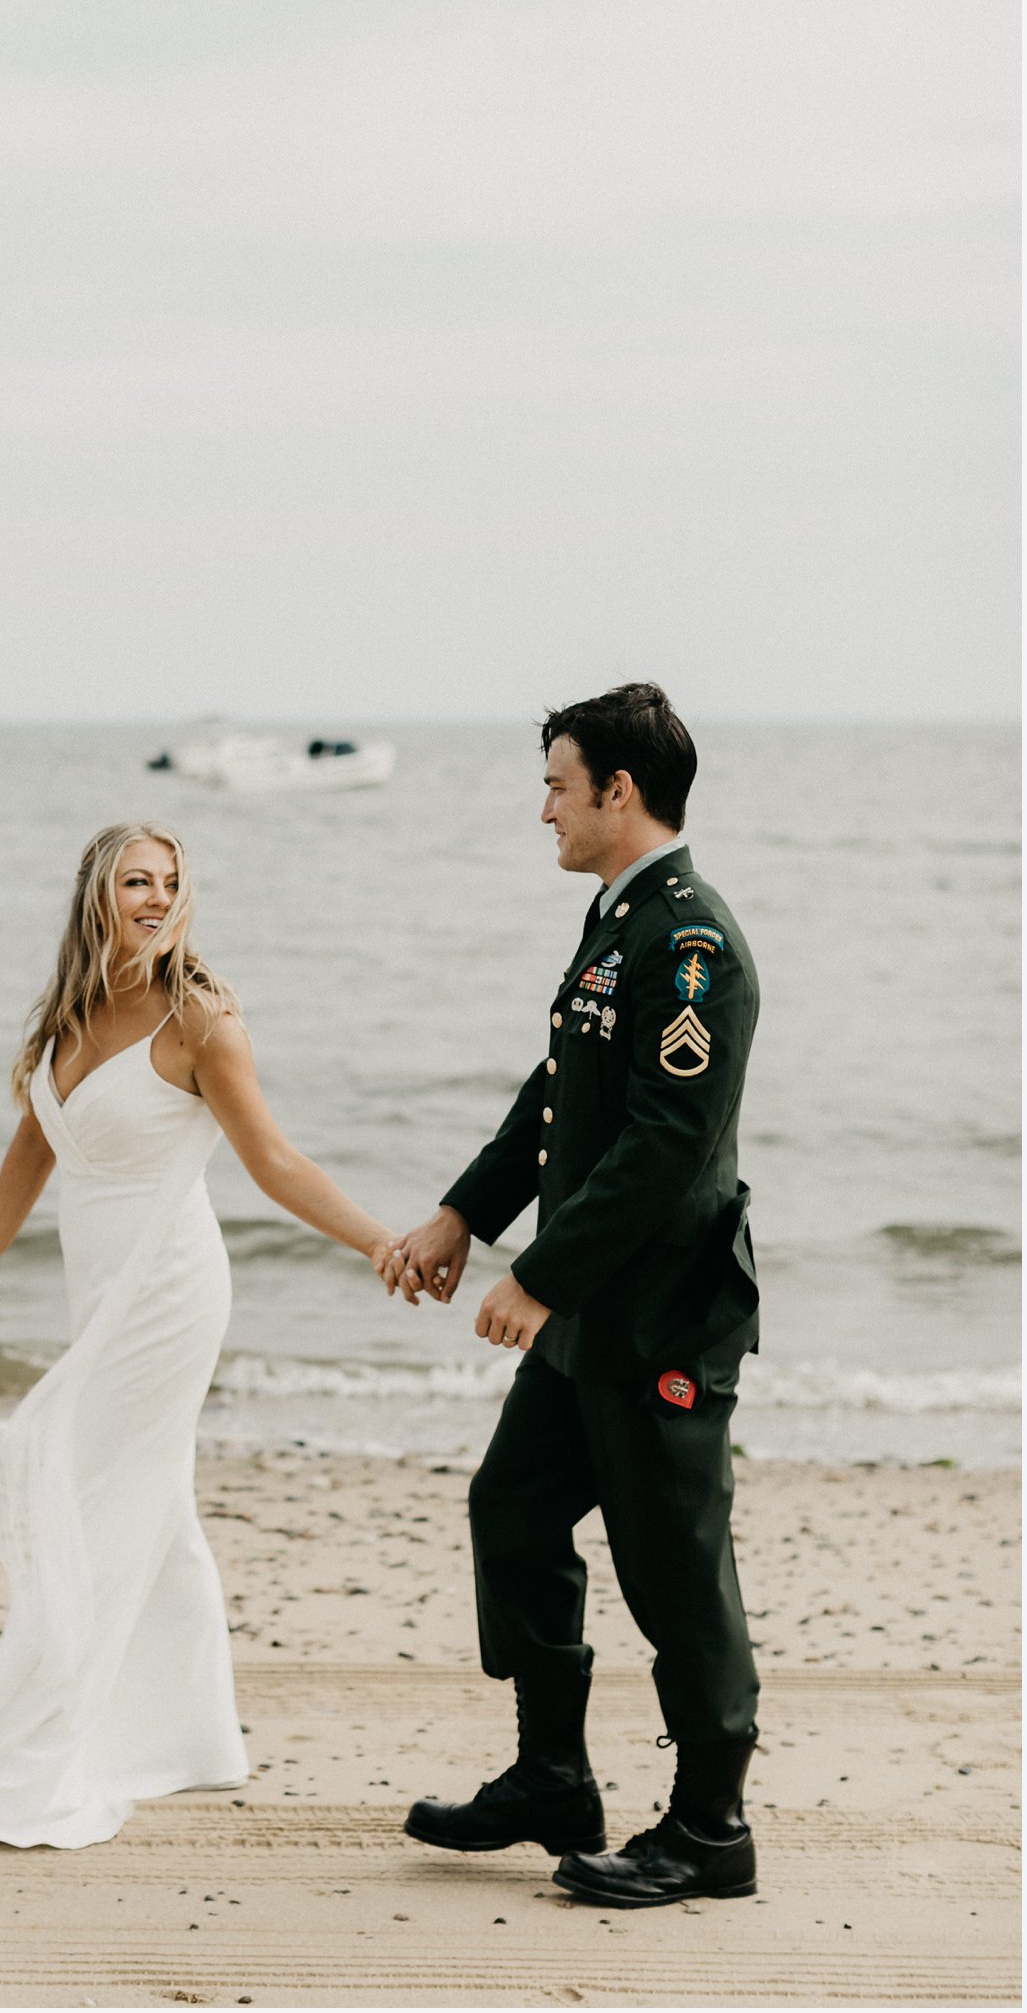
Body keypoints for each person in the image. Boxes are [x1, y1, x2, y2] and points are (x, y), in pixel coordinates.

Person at [0, 821, 395, 1849]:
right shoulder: (71, 1012)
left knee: (95, 1494)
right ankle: (187, 1737)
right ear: (97, 893)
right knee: (149, 1501)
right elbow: (31, 1146)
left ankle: (56, 1738)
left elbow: (273, 1159)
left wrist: (375, 1241)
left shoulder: (199, 1018)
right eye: (136, 880)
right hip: (96, 1286)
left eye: (170, 882)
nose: (154, 896)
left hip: (169, 1292)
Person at [382, 683, 762, 1909]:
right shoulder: (617, 924)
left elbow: (662, 1149)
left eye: (557, 782)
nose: (541, 804)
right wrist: (463, 1213)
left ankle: (710, 1827)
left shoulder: (690, 941)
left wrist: (537, 1277)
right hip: (588, 1319)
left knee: (673, 1568)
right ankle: (553, 1774)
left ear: (620, 790)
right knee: (514, 1509)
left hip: (657, 1320)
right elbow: (559, 1099)